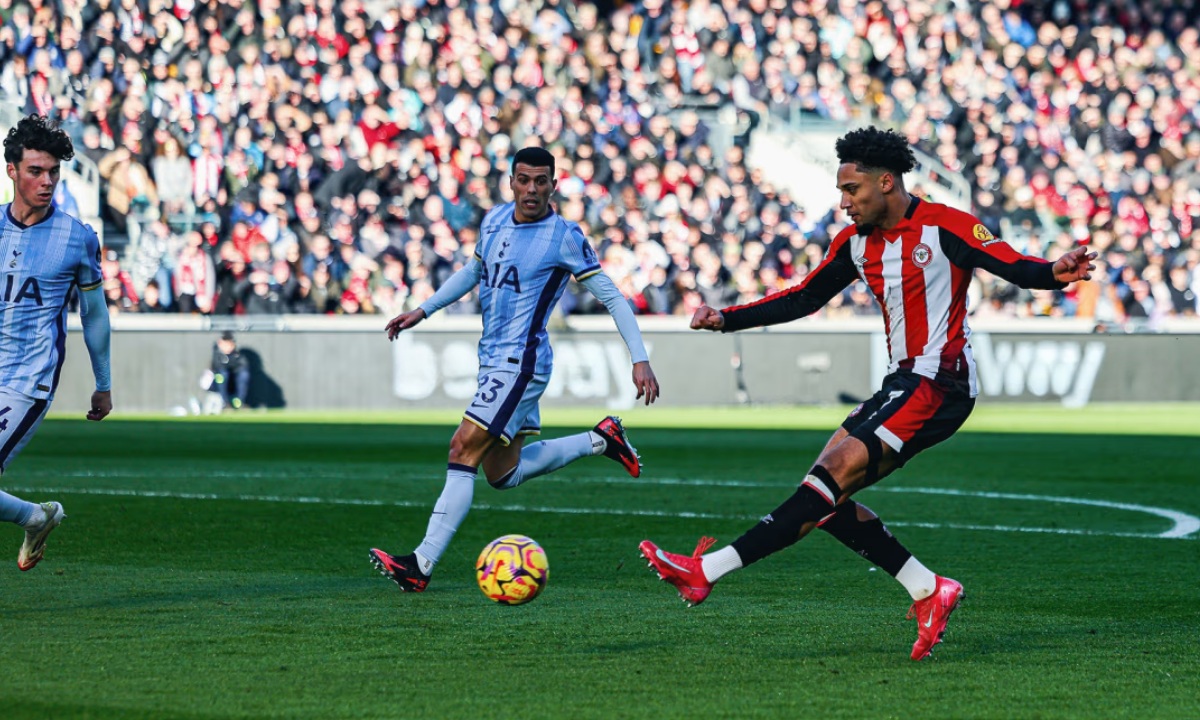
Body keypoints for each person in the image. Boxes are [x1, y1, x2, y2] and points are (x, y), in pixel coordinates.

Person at [639, 127, 1096, 661]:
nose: (844, 202)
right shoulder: (854, 244)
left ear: (886, 183)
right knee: (822, 497)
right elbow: (805, 297)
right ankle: (928, 589)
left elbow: (1013, 265)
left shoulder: (945, 225)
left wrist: (1053, 273)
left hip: (939, 384)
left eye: (852, 190)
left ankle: (705, 572)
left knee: (825, 484)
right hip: (902, 381)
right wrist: (727, 319)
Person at [370, 146, 661, 592]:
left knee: (461, 449)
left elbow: (613, 296)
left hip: (520, 362)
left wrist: (639, 357)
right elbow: (474, 272)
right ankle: (600, 439)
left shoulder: (564, 236)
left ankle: (420, 565)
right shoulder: (493, 221)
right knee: (501, 474)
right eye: (523, 180)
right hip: (494, 359)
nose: (531, 189)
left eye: (540, 181)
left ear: (554, 185)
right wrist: (423, 310)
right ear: (510, 181)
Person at [0, 114, 113, 571]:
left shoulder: (77, 237)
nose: (47, 182)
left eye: (53, 172)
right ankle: (36, 517)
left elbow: (95, 314)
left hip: (25, 381)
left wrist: (103, 382)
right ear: (11, 170)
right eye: (35, 171)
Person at [208, 331, 250, 410]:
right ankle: (225, 403)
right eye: (225, 343)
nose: (227, 346)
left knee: (244, 375)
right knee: (222, 376)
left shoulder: (236, 354)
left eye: (229, 343)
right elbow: (217, 367)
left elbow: (243, 365)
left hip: (233, 379)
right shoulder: (217, 353)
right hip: (217, 380)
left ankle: (239, 402)